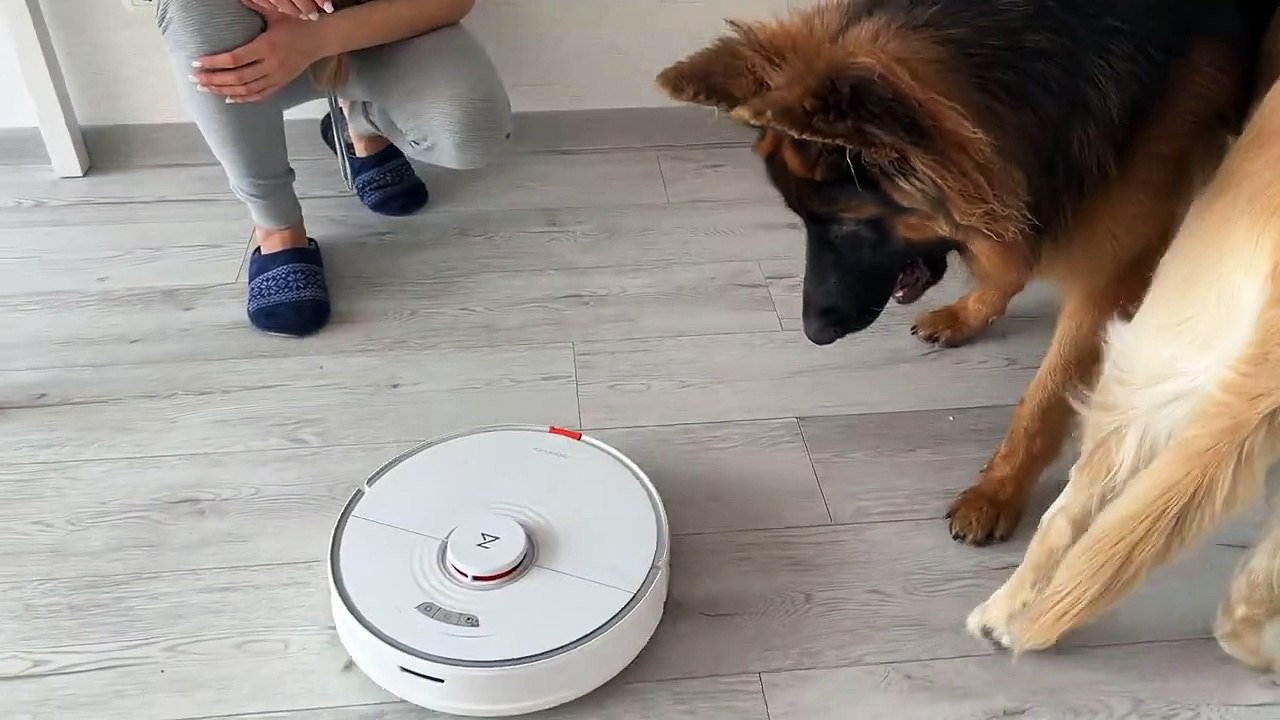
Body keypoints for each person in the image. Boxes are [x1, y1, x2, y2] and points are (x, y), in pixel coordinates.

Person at [156, 0, 511, 336]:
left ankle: (359, 122)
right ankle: (277, 227)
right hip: (253, 35)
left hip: (380, 28)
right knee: (196, 9)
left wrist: (317, 38)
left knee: (469, 133)